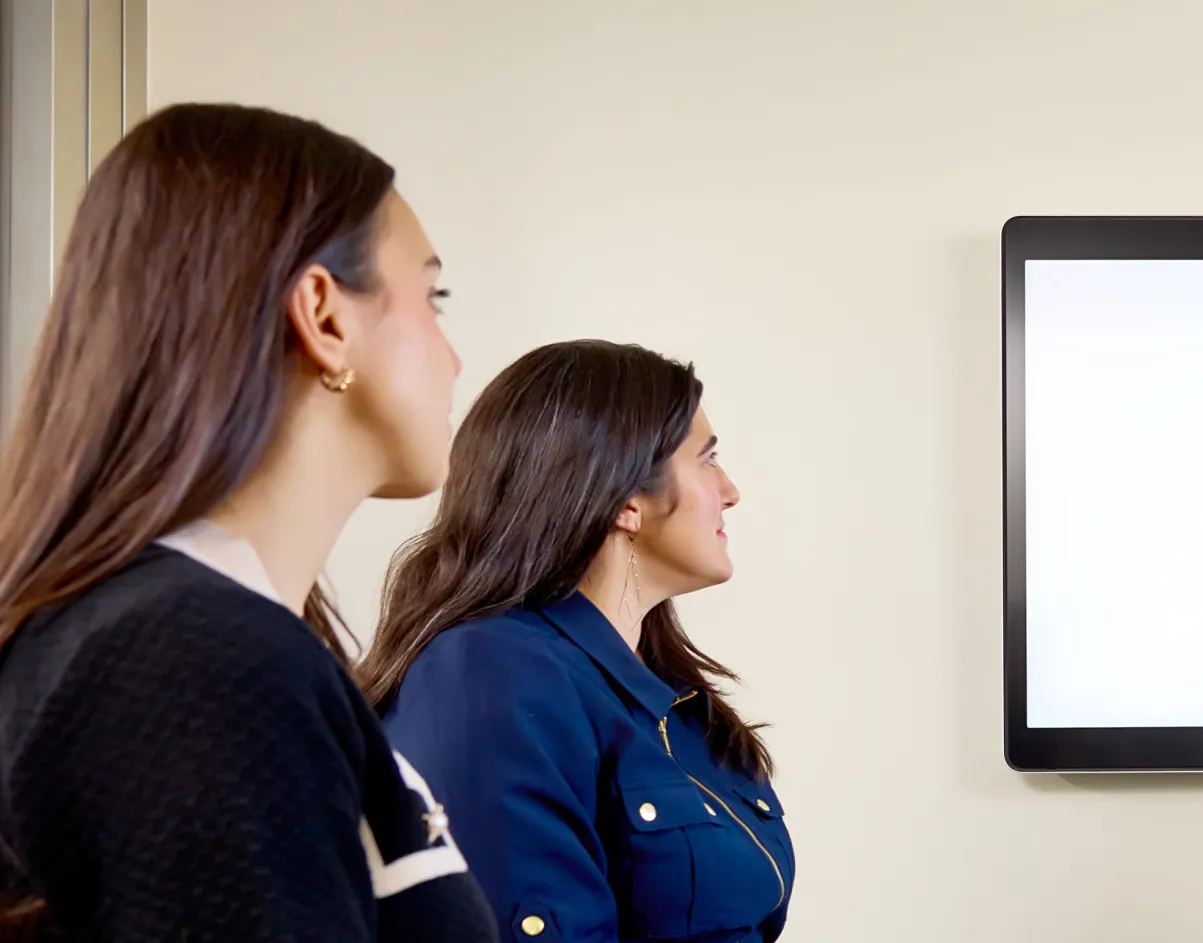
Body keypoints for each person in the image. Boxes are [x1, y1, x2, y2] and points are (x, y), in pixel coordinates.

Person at [0, 104, 495, 940]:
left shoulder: (196, 641)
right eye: (432, 296)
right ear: (325, 316)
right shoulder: (196, 660)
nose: (455, 357)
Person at [358, 340, 793, 942]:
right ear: (626, 500)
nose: (731, 490)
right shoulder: (491, 673)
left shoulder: (677, 705)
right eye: (708, 459)